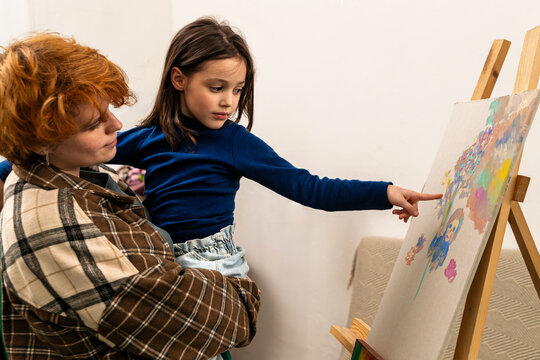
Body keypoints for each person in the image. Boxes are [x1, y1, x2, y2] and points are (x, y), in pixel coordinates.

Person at [0, 32, 259, 360]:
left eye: (108, 110)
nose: (117, 124)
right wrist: (242, 294)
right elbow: (197, 323)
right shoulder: (53, 222)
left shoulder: (77, 173)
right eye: (95, 123)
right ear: (41, 139)